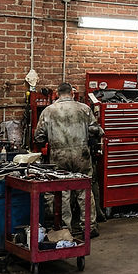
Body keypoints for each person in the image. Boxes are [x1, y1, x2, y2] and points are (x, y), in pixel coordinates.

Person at [35, 83, 104, 238]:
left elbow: (38, 137)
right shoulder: (84, 109)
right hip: (81, 155)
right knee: (84, 190)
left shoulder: (48, 111)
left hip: (59, 156)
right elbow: (96, 131)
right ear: (72, 93)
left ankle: (66, 229)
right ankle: (89, 227)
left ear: (58, 94)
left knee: (63, 192)